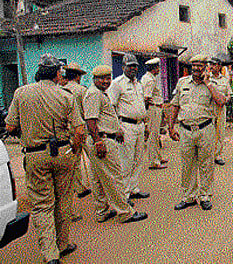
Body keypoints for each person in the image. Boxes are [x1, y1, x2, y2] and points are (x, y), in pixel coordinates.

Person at [5, 54, 85, 264]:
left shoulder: (21, 93)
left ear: (38, 73)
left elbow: (10, 126)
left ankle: (51, 256)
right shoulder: (66, 95)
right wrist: (75, 151)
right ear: (58, 74)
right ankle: (63, 244)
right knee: (63, 201)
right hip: (63, 153)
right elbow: (79, 130)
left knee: (42, 205)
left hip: (35, 155)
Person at [83, 65, 148, 223]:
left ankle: (102, 211)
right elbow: (91, 120)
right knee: (114, 177)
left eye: (107, 78)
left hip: (103, 138)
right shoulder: (94, 94)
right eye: (101, 78)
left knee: (98, 178)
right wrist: (98, 141)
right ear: (94, 79)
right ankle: (125, 212)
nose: (105, 81)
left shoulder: (99, 93)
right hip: (103, 140)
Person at [168, 55, 228, 211]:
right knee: (187, 165)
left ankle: (205, 195)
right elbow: (175, 105)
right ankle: (189, 196)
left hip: (205, 129)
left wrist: (207, 83)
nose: (196, 69)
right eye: (193, 66)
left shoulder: (212, 84)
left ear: (205, 67)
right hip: (185, 130)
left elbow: (221, 101)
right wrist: (170, 126)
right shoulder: (182, 83)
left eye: (199, 66)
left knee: (206, 163)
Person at [107, 53, 150, 201]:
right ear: (123, 67)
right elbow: (111, 107)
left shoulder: (138, 84)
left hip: (139, 125)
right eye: (130, 66)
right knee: (125, 162)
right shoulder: (117, 84)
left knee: (138, 159)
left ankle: (133, 189)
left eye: (135, 66)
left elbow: (141, 106)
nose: (133, 68)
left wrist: (146, 124)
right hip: (126, 126)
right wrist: (116, 128)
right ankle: (123, 195)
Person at [62, 63, 91, 223]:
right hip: (82, 128)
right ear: (78, 76)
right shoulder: (82, 90)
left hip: (68, 130)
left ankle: (79, 187)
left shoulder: (62, 90)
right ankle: (92, 186)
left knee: (73, 162)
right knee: (93, 158)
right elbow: (88, 111)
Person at [141, 58, 168, 170]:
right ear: (154, 69)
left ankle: (158, 156)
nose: (159, 70)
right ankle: (154, 161)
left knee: (156, 135)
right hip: (153, 109)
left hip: (154, 108)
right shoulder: (150, 80)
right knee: (153, 135)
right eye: (157, 68)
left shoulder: (146, 77)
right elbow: (146, 97)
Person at [208, 56, 233, 166]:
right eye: (210, 65)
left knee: (220, 132)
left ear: (219, 66)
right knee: (208, 133)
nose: (211, 67)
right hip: (209, 109)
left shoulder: (224, 80)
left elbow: (229, 94)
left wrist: (225, 100)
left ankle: (217, 155)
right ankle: (208, 155)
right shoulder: (207, 78)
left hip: (221, 109)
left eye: (214, 65)